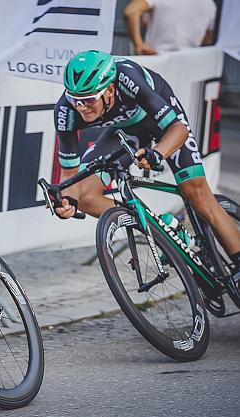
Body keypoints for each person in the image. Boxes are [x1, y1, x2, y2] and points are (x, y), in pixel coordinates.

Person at [53, 50, 240, 278]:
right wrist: (67, 200)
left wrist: (158, 153)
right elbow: (70, 173)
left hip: (164, 124)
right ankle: (164, 232)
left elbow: (178, 129)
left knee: (199, 196)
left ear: (109, 90)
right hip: (124, 130)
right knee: (84, 196)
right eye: (75, 99)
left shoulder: (128, 79)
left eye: (89, 99)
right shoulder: (65, 111)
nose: (81, 107)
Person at [124, 0, 216, 55]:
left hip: (155, 60)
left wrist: (139, 45)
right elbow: (208, 39)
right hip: (188, 65)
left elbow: (130, 12)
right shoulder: (210, 4)